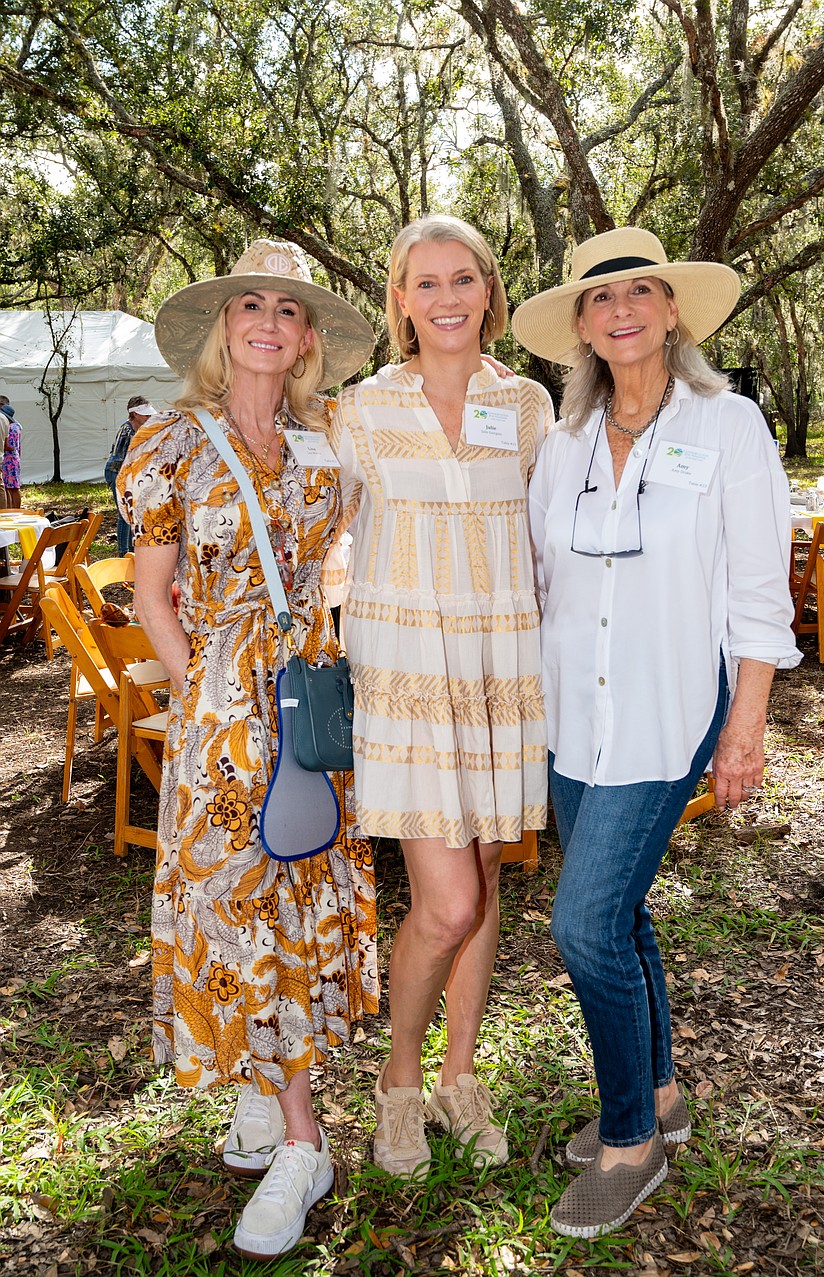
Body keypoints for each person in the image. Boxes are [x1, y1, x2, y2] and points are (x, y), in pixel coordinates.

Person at [511, 227, 801, 1237]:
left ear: (672, 310)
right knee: (622, 915)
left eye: (640, 291)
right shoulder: (563, 444)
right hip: (573, 718)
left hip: (672, 710)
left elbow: (761, 591)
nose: (620, 309)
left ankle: (629, 1140)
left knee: (582, 923)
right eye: (600, 298)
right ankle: (665, 1095)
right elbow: (543, 584)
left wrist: (746, 727)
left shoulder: (730, 428)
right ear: (583, 326)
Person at [118, 240, 378, 1259]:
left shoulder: (326, 437)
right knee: (234, 900)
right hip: (224, 711)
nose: (269, 320)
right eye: (250, 305)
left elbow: (346, 557)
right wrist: (202, 706)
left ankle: (282, 1111)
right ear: (224, 327)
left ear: (308, 335)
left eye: (288, 308)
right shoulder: (169, 440)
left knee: (294, 891)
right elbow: (151, 591)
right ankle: (300, 1137)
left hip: (311, 701)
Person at [330, 215, 554, 1179]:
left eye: (463, 278)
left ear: (489, 290)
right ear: (399, 300)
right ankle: (399, 1080)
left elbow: (555, 538)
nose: (447, 297)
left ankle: (462, 1078)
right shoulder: (362, 411)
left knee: (487, 882)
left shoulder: (533, 405)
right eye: (425, 282)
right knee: (446, 899)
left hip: (505, 673)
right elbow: (314, 530)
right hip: (408, 680)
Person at [106, 397, 158, 554]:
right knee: (124, 514)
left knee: (130, 513)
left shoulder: (134, 429)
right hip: (118, 473)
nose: (149, 417)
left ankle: (130, 550)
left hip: (125, 474)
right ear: (135, 414)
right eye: (146, 415)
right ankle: (124, 552)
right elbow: (125, 459)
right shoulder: (128, 432)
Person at [1, 405, 20, 508]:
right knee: (12, 487)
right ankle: (13, 508)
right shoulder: (17, 426)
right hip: (14, 459)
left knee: (10, 488)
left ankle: (13, 509)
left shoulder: (10, 427)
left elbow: (10, 446)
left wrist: (2, 446)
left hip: (9, 459)